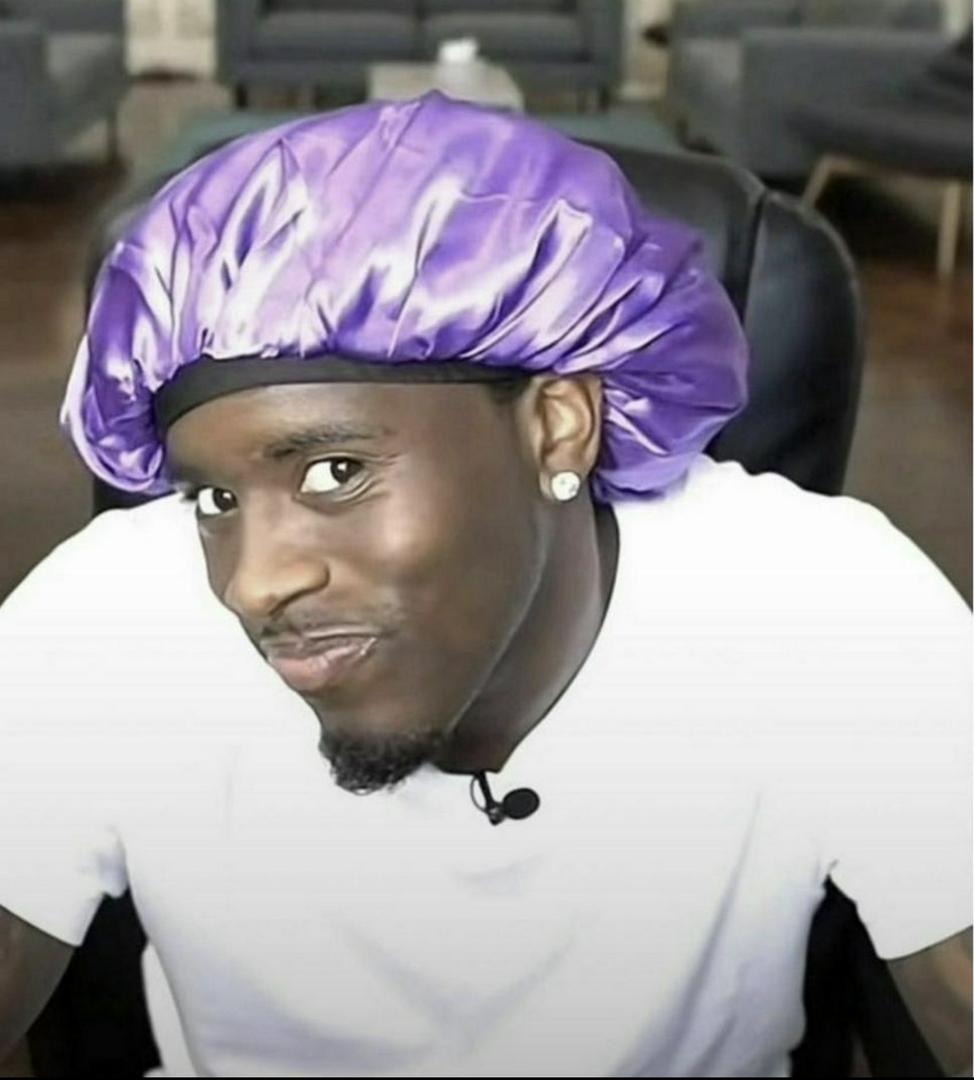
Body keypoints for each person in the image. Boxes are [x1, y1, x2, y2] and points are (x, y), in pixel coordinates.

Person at [0, 93, 970, 1078]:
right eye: (213, 499)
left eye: (335, 472)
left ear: (556, 427)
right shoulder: (107, 622)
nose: (254, 584)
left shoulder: (825, 611)